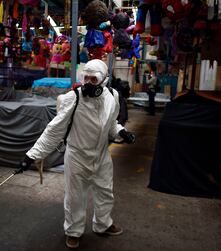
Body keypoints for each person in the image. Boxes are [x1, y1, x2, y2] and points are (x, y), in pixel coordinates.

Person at [19, 59, 136, 249]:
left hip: (101, 155)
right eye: (86, 78)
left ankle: (103, 224)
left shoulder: (112, 96)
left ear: (104, 80)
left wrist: (121, 132)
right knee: (75, 197)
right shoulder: (74, 98)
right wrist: (32, 155)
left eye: (94, 79)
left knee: (106, 192)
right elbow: (54, 130)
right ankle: (73, 232)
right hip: (77, 156)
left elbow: (112, 123)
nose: (89, 83)